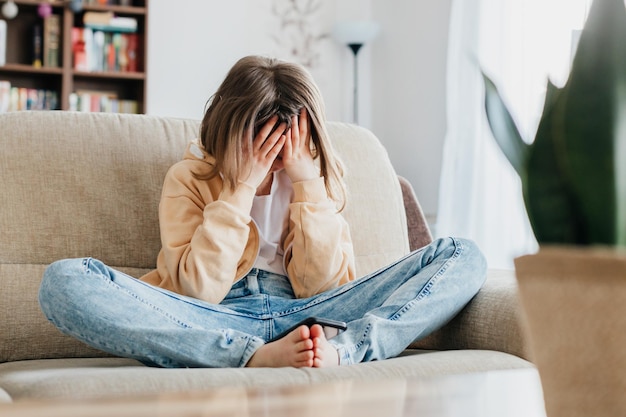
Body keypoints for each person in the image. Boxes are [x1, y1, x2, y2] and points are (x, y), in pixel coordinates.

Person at [39, 55, 487, 368]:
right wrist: (240, 188)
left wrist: (308, 186)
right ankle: (245, 355)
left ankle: (345, 353)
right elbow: (196, 292)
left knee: (463, 255)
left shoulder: (321, 179)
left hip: (312, 314)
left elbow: (325, 286)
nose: (273, 156)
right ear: (232, 129)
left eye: (284, 141)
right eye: (261, 141)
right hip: (214, 318)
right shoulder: (188, 178)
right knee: (63, 282)